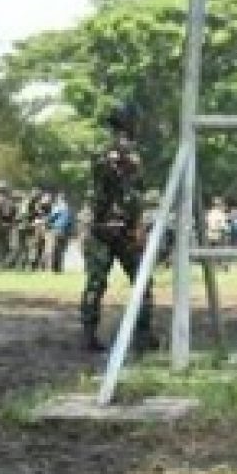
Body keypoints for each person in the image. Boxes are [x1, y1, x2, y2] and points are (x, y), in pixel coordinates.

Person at [79, 104, 158, 353]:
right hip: (123, 229)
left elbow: (97, 194)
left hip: (100, 228)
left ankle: (89, 334)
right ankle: (143, 335)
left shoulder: (100, 153)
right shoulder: (130, 156)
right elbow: (133, 196)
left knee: (95, 283)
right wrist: (138, 226)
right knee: (142, 281)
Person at [47, 192, 74, 273]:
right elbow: (71, 222)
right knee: (61, 251)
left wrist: (50, 225)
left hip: (57, 230)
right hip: (65, 232)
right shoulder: (68, 209)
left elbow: (51, 218)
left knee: (55, 250)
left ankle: (53, 268)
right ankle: (59, 269)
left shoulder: (57, 208)